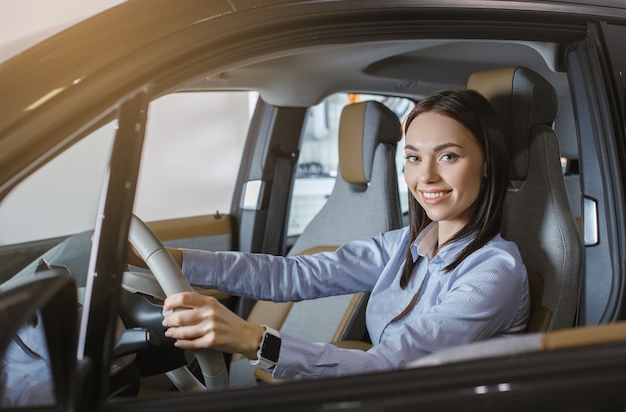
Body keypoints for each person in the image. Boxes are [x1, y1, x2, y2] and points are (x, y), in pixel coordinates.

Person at [144, 89, 530, 381]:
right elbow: (293, 275)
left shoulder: (495, 272)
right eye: (413, 157)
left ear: (486, 165)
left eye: (448, 156)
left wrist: (254, 340)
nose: (425, 176)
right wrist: (168, 259)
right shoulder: (402, 245)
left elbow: (386, 366)